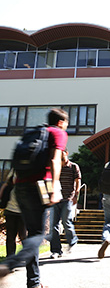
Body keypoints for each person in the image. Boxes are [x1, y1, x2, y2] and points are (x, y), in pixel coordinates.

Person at [0, 108, 69, 288]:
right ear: (61, 122)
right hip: (39, 186)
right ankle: (9, 264)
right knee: (39, 235)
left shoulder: (36, 132)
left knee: (32, 235)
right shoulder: (58, 132)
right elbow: (55, 160)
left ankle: (34, 283)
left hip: (20, 186)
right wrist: (54, 186)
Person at [50, 149, 81, 259]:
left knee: (66, 221)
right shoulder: (55, 166)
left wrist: (76, 195)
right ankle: (56, 250)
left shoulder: (73, 166)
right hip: (55, 199)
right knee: (53, 226)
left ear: (66, 153)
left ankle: (72, 240)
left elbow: (78, 181)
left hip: (68, 198)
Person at [0, 169, 27, 257]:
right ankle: (10, 257)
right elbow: (6, 183)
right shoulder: (14, 170)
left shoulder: (30, 172)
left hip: (23, 212)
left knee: (23, 236)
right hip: (10, 209)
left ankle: (28, 257)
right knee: (10, 236)